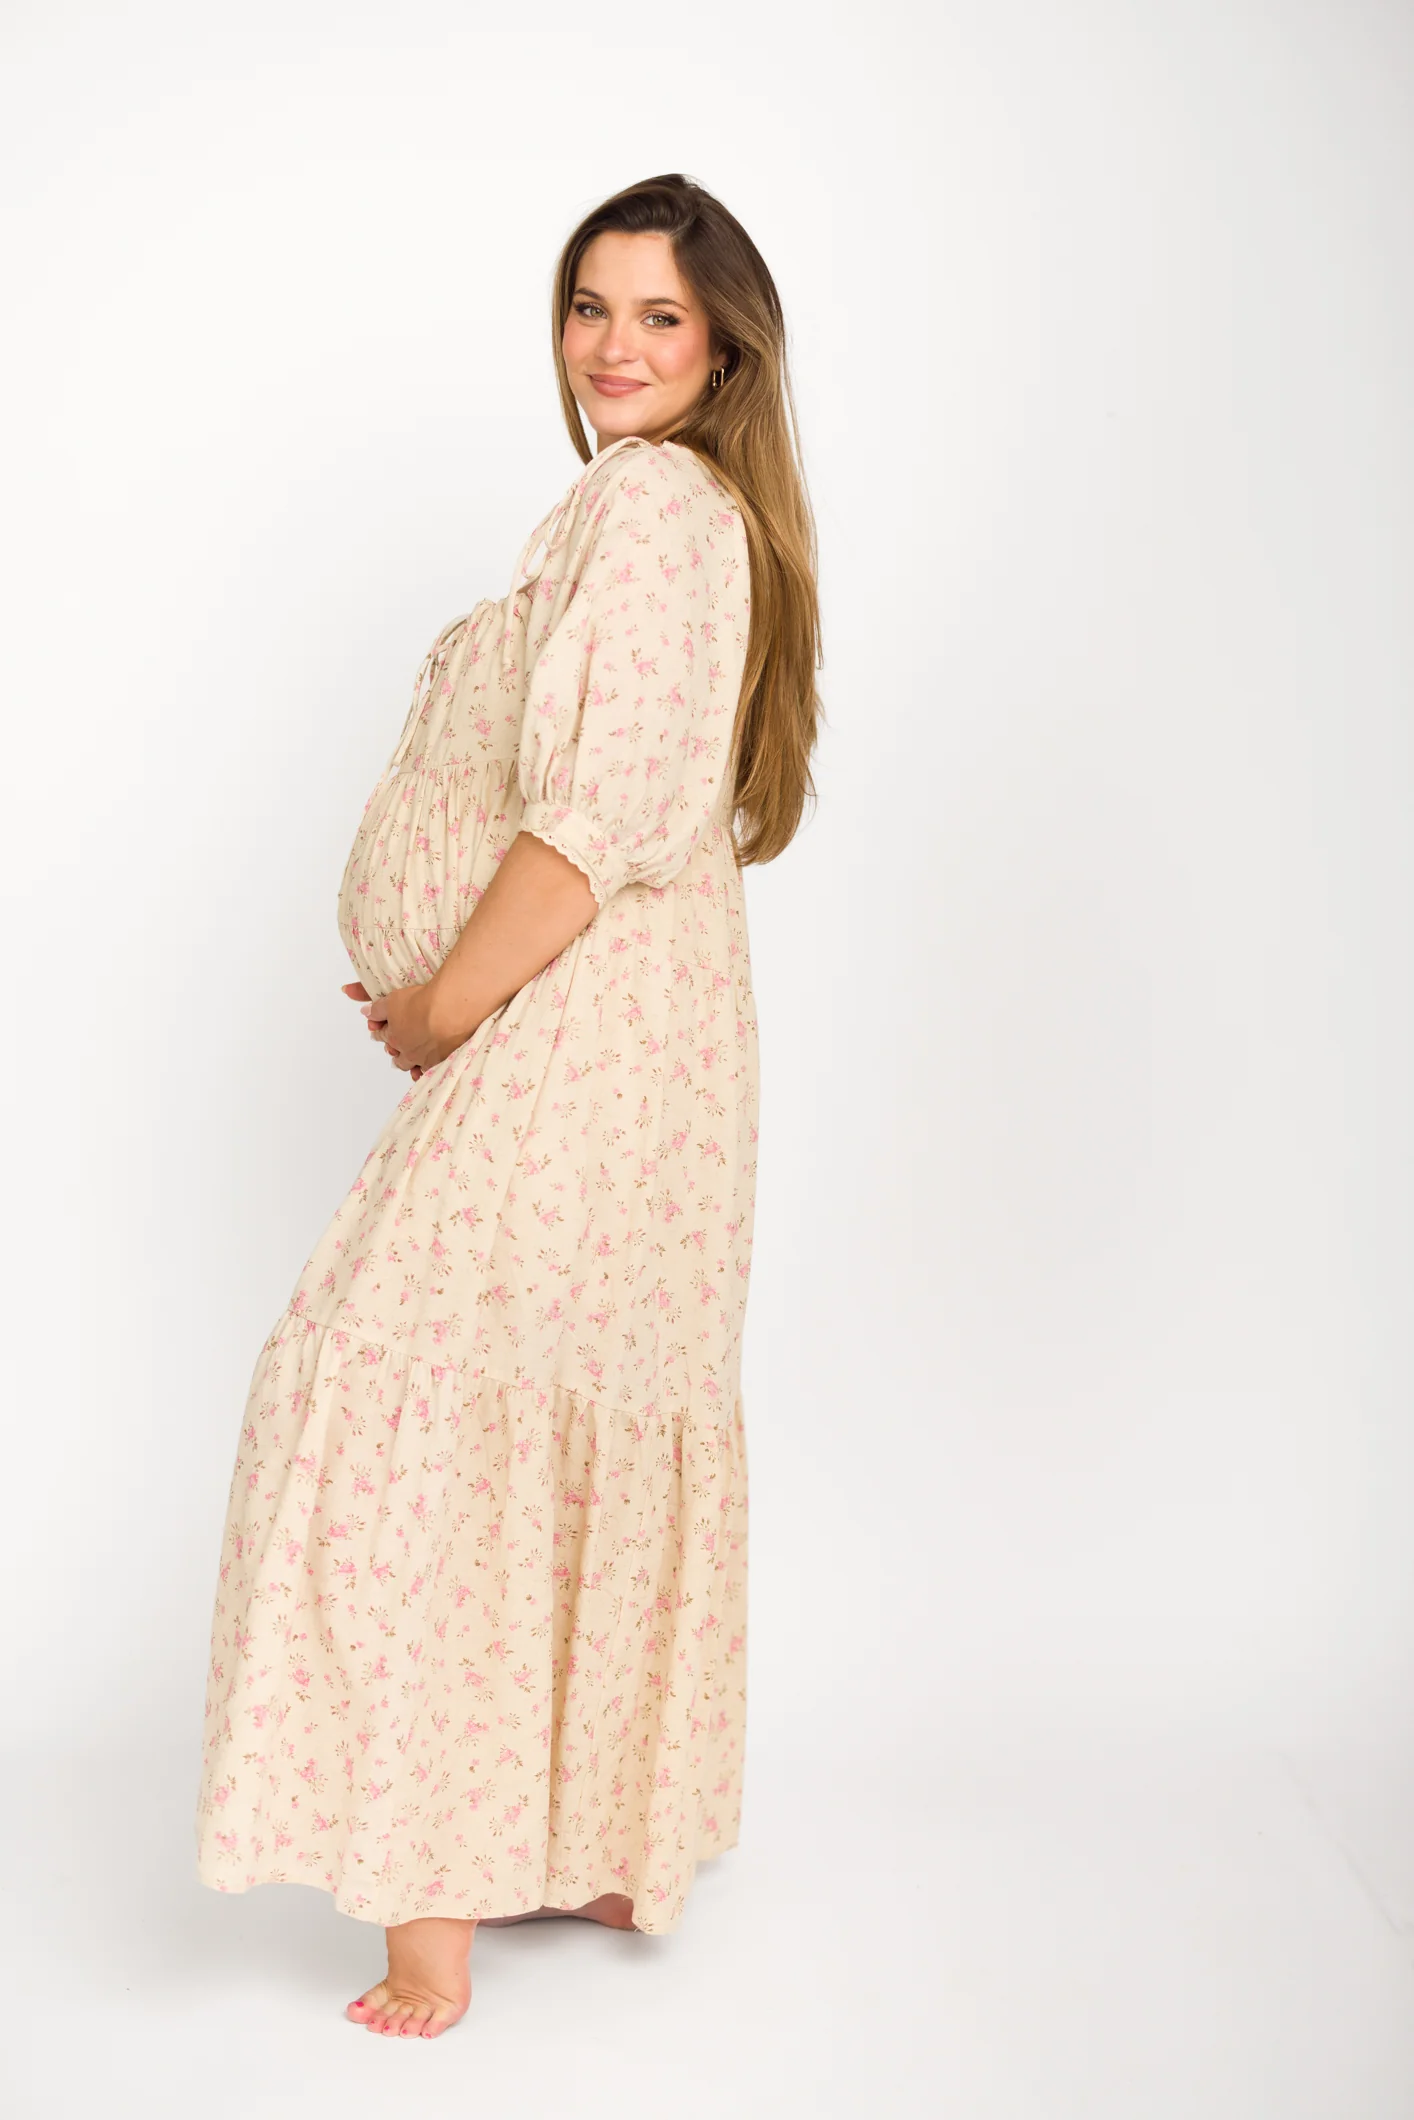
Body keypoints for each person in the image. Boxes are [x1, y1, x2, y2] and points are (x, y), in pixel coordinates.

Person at [195, 170, 821, 2039]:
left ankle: (428, 1922)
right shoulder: (676, 520)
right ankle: (598, 1840)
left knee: (405, 1397)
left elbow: (585, 827)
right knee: (565, 1405)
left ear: (722, 350)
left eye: (658, 316)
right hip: (641, 1059)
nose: (612, 346)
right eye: (588, 306)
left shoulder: (653, 509)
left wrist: (440, 1008)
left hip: (574, 1049)